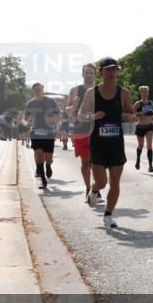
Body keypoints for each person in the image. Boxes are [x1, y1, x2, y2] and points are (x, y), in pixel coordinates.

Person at [77, 58, 135, 228]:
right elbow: (80, 115)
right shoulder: (92, 93)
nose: (112, 73)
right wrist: (93, 116)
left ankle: (108, 215)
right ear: (101, 72)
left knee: (115, 182)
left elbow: (130, 113)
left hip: (116, 143)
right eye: (108, 70)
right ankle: (94, 190)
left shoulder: (124, 93)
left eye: (115, 69)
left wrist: (131, 116)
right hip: (98, 143)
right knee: (102, 182)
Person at [67, 62, 100, 205]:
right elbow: (67, 110)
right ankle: (88, 188)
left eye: (91, 73)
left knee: (97, 162)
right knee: (85, 162)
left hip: (97, 129)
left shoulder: (100, 89)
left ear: (95, 75)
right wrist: (73, 106)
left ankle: (96, 188)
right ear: (82, 74)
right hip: (81, 130)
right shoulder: (75, 90)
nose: (89, 75)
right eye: (86, 72)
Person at [23, 83, 60, 189]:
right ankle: (43, 180)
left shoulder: (51, 101)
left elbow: (58, 115)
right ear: (33, 91)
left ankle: (48, 165)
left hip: (49, 132)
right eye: (36, 90)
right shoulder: (30, 103)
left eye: (39, 90)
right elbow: (24, 118)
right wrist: (26, 123)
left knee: (48, 158)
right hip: (35, 132)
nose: (38, 92)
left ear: (43, 90)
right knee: (39, 154)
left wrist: (55, 123)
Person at [133, 85, 153, 173]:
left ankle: (150, 166)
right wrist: (139, 113)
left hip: (149, 126)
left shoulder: (150, 103)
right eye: (143, 92)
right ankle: (138, 160)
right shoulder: (138, 103)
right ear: (141, 93)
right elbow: (132, 112)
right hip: (140, 127)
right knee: (141, 145)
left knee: (149, 146)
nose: (145, 93)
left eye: (146, 92)